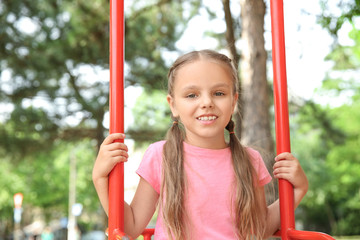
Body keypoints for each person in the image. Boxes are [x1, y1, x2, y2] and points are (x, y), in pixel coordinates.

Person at [92, 50, 308, 240]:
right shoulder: (161, 155)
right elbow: (130, 227)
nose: (207, 102)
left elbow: (259, 229)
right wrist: (101, 178)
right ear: (173, 105)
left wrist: (297, 190)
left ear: (233, 102)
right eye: (192, 95)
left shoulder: (249, 160)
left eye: (219, 93)